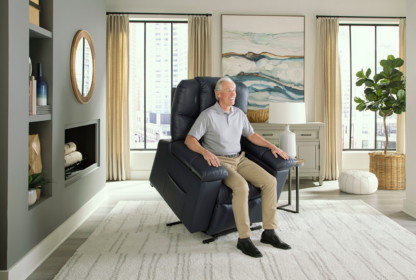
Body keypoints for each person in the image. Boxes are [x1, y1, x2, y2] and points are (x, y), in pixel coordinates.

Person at [184, 77, 291, 258]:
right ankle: (244, 238)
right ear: (218, 94)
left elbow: (251, 135)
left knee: (269, 181)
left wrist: (272, 146)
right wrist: (204, 152)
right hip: (220, 161)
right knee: (241, 187)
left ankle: (269, 232)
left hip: (240, 159)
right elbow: (189, 139)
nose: (233, 94)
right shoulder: (208, 115)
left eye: (234, 90)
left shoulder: (239, 114)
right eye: (228, 90)